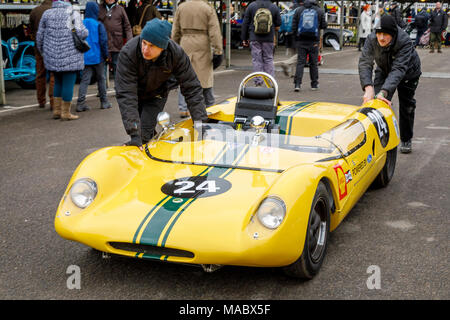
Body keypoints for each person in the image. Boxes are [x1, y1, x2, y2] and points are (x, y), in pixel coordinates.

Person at [115, 19, 208, 148]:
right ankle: (149, 145)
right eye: (144, 43)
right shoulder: (128, 53)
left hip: (157, 93)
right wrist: (134, 133)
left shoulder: (176, 54)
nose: (146, 49)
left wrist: (201, 125)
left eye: (152, 46)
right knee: (138, 133)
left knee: (145, 131)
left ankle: (147, 144)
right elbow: (126, 95)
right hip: (134, 92)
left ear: (163, 47)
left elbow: (192, 88)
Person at [359, 14, 421, 154]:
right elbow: (365, 62)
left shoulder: (404, 41)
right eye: (379, 33)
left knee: (406, 106)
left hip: (408, 73)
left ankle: (406, 139)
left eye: (385, 35)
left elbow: (399, 69)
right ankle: (375, 139)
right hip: (384, 68)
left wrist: (384, 91)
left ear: (393, 34)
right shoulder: (371, 39)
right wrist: (368, 87)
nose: (381, 38)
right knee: (376, 104)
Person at [36, 0, 88, 121]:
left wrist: (43, 52)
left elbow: (40, 36)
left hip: (52, 56)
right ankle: (66, 113)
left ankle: (57, 110)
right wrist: (86, 31)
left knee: (57, 82)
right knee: (68, 84)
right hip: (70, 55)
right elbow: (82, 33)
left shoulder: (47, 14)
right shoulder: (72, 13)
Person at [172, 0, 223, 118]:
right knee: (205, 77)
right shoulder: (207, 8)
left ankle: (183, 108)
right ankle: (209, 105)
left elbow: (175, 31)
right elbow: (214, 31)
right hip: (202, 43)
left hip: (185, 42)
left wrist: (174, 46)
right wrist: (218, 50)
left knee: (184, 75)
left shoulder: (182, 7)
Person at [76, 1, 111, 112]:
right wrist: (107, 56)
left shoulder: (81, 23)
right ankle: (104, 102)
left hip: (85, 57)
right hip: (98, 57)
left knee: (85, 80)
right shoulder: (98, 24)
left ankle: (80, 103)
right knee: (101, 79)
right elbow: (103, 42)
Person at [241, 0, 282, 86]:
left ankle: (258, 81)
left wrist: (244, 39)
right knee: (268, 59)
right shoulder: (273, 7)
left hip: (254, 38)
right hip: (269, 38)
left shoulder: (251, 6)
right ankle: (271, 81)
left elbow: (245, 23)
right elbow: (278, 23)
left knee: (257, 60)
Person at [291, 0, 327, 91]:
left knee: (300, 63)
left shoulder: (298, 10)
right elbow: (324, 25)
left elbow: (294, 26)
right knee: (313, 63)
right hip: (314, 41)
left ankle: (297, 84)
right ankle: (314, 84)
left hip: (301, 41)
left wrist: (296, 38)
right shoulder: (319, 10)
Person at [29, 0, 54, 110]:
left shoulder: (35, 11)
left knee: (40, 74)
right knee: (54, 75)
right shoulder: (54, 10)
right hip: (52, 47)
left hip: (38, 47)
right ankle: (53, 101)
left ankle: (41, 101)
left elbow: (31, 28)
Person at [99, 0, 133, 76]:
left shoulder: (120, 9)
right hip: (103, 43)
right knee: (102, 67)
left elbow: (127, 27)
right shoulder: (99, 8)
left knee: (117, 65)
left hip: (117, 42)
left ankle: (118, 87)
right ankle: (102, 87)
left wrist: (130, 41)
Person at [280, 0, 304, 78]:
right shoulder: (301, 10)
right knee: (300, 54)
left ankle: (293, 73)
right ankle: (286, 63)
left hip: (287, 34)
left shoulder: (291, 10)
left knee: (292, 54)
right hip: (296, 35)